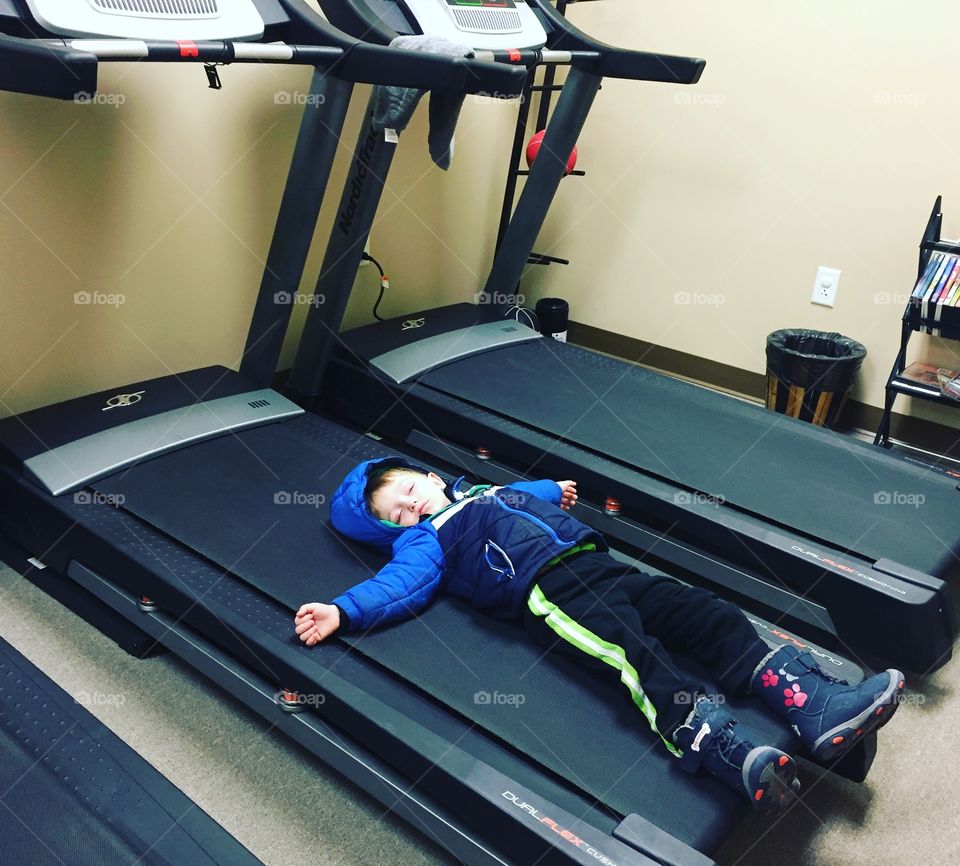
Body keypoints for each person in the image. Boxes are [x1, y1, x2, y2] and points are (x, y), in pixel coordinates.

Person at [295, 457, 904, 812]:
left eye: (408, 492)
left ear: (427, 475)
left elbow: (521, 495)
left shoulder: (482, 491)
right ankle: (719, 747)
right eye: (396, 515)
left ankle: (811, 704)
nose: (411, 507)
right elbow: (398, 586)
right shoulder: (427, 543)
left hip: (602, 565)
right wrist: (343, 610)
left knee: (706, 611)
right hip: (551, 594)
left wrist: (552, 492)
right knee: (635, 659)